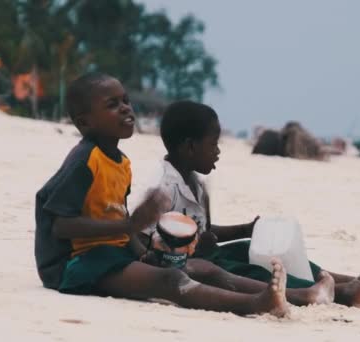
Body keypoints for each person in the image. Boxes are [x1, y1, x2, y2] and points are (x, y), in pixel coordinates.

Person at [34, 73, 290, 317]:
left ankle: (292, 295)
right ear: (84, 123)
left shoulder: (121, 162)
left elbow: (120, 220)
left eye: (126, 100)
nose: (125, 108)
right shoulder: (84, 161)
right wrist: (130, 225)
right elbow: (61, 226)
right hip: (73, 265)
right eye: (113, 105)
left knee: (199, 268)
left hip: (107, 253)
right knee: (171, 279)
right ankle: (256, 304)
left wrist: (142, 253)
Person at [137, 100, 360, 309]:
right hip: (181, 264)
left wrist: (245, 229)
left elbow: (206, 228)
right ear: (190, 147)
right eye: (213, 144)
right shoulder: (162, 188)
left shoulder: (198, 182)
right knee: (245, 269)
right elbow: (144, 241)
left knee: (252, 248)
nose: (218, 152)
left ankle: (347, 283)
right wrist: (184, 252)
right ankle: (326, 294)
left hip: (205, 252)